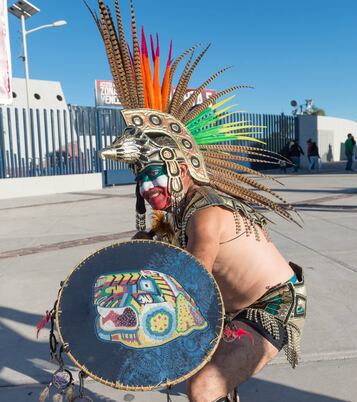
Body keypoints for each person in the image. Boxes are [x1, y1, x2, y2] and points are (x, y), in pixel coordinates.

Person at [94, 2, 307, 401]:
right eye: (140, 176)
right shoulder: (176, 215)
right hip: (230, 309)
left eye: (155, 171)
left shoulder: (206, 215)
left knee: (203, 386)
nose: (146, 186)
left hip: (273, 303)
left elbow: (191, 283)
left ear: (181, 166)